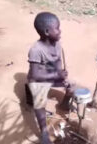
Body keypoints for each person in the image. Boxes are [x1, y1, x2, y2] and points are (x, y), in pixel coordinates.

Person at [27, 12, 73, 144]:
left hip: (52, 76)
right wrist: (56, 75)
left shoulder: (57, 43)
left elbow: (58, 62)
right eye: (57, 28)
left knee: (73, 85)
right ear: (47, 32)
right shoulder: (36, 50)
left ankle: (64, 103)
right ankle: (44, 132)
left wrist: (61, 75)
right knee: (40, 103)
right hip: (38, 81)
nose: (60, 31)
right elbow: (34, 75)